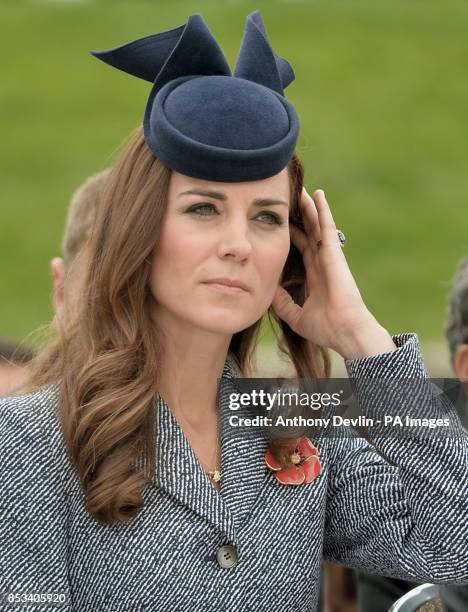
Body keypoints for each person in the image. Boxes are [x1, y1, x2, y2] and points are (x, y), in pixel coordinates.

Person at [0, 11, 466, 612]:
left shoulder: (293, 422)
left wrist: (362, 338)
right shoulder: (28, 439)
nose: (239, 244)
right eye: (203, 208)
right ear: (139, 229)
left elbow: (455, 539)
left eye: (267, 217)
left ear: (296, 247)